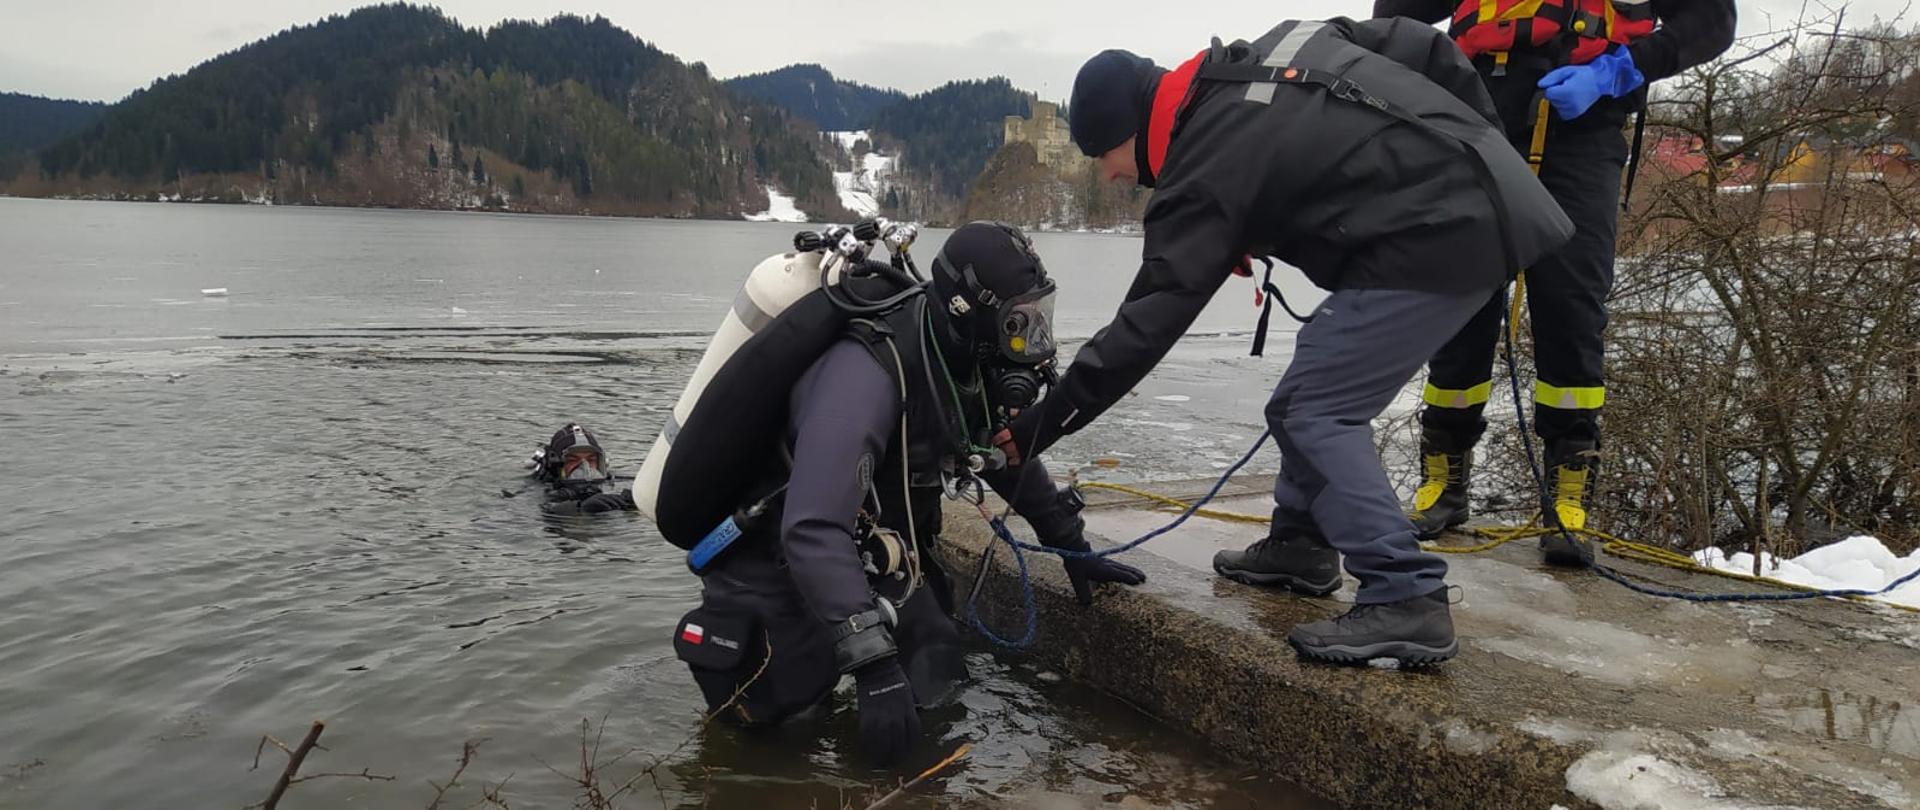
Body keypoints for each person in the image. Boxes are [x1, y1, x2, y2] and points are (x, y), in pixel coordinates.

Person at [995, 17, 1574, 665]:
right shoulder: (1266, 55)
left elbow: (1142, 327)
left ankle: (1405, 595)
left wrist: (1043, 424)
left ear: (1132, 131)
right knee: (1299, 398)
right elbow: (1424, 46)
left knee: (1317, 410)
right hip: (1466, 202)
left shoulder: (1204, 165)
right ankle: (1301, 547)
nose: (1109, 179)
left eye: (1104, 157)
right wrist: (1479, 144)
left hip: (1440, 233)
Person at [669, 222, 1145, 765]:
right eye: (1020, 323)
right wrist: (871, 663)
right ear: (972, 312)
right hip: (775, 561)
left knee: (935, 681)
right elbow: (811, 528)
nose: (1032, 343)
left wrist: (1070, 544)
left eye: (1038, 320)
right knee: (775, 739)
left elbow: (996, 453)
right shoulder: (865, 373)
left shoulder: (966, 360)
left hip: (880, 554)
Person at [1372, 0, 1735, 564]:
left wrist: (1619, 71)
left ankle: (1567, 499)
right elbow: (1397, 14)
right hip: (1472, 119)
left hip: (1582, 125)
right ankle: (1443, 482)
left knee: (1572, 310)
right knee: (1459, 305)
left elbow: (1711, 24)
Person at [527, 423, 634, 515]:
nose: (584, 466)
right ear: (556, 465)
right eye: (573, 460)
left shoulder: (611, 482)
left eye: (591, 460)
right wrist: (580, 509)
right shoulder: (535, 490)